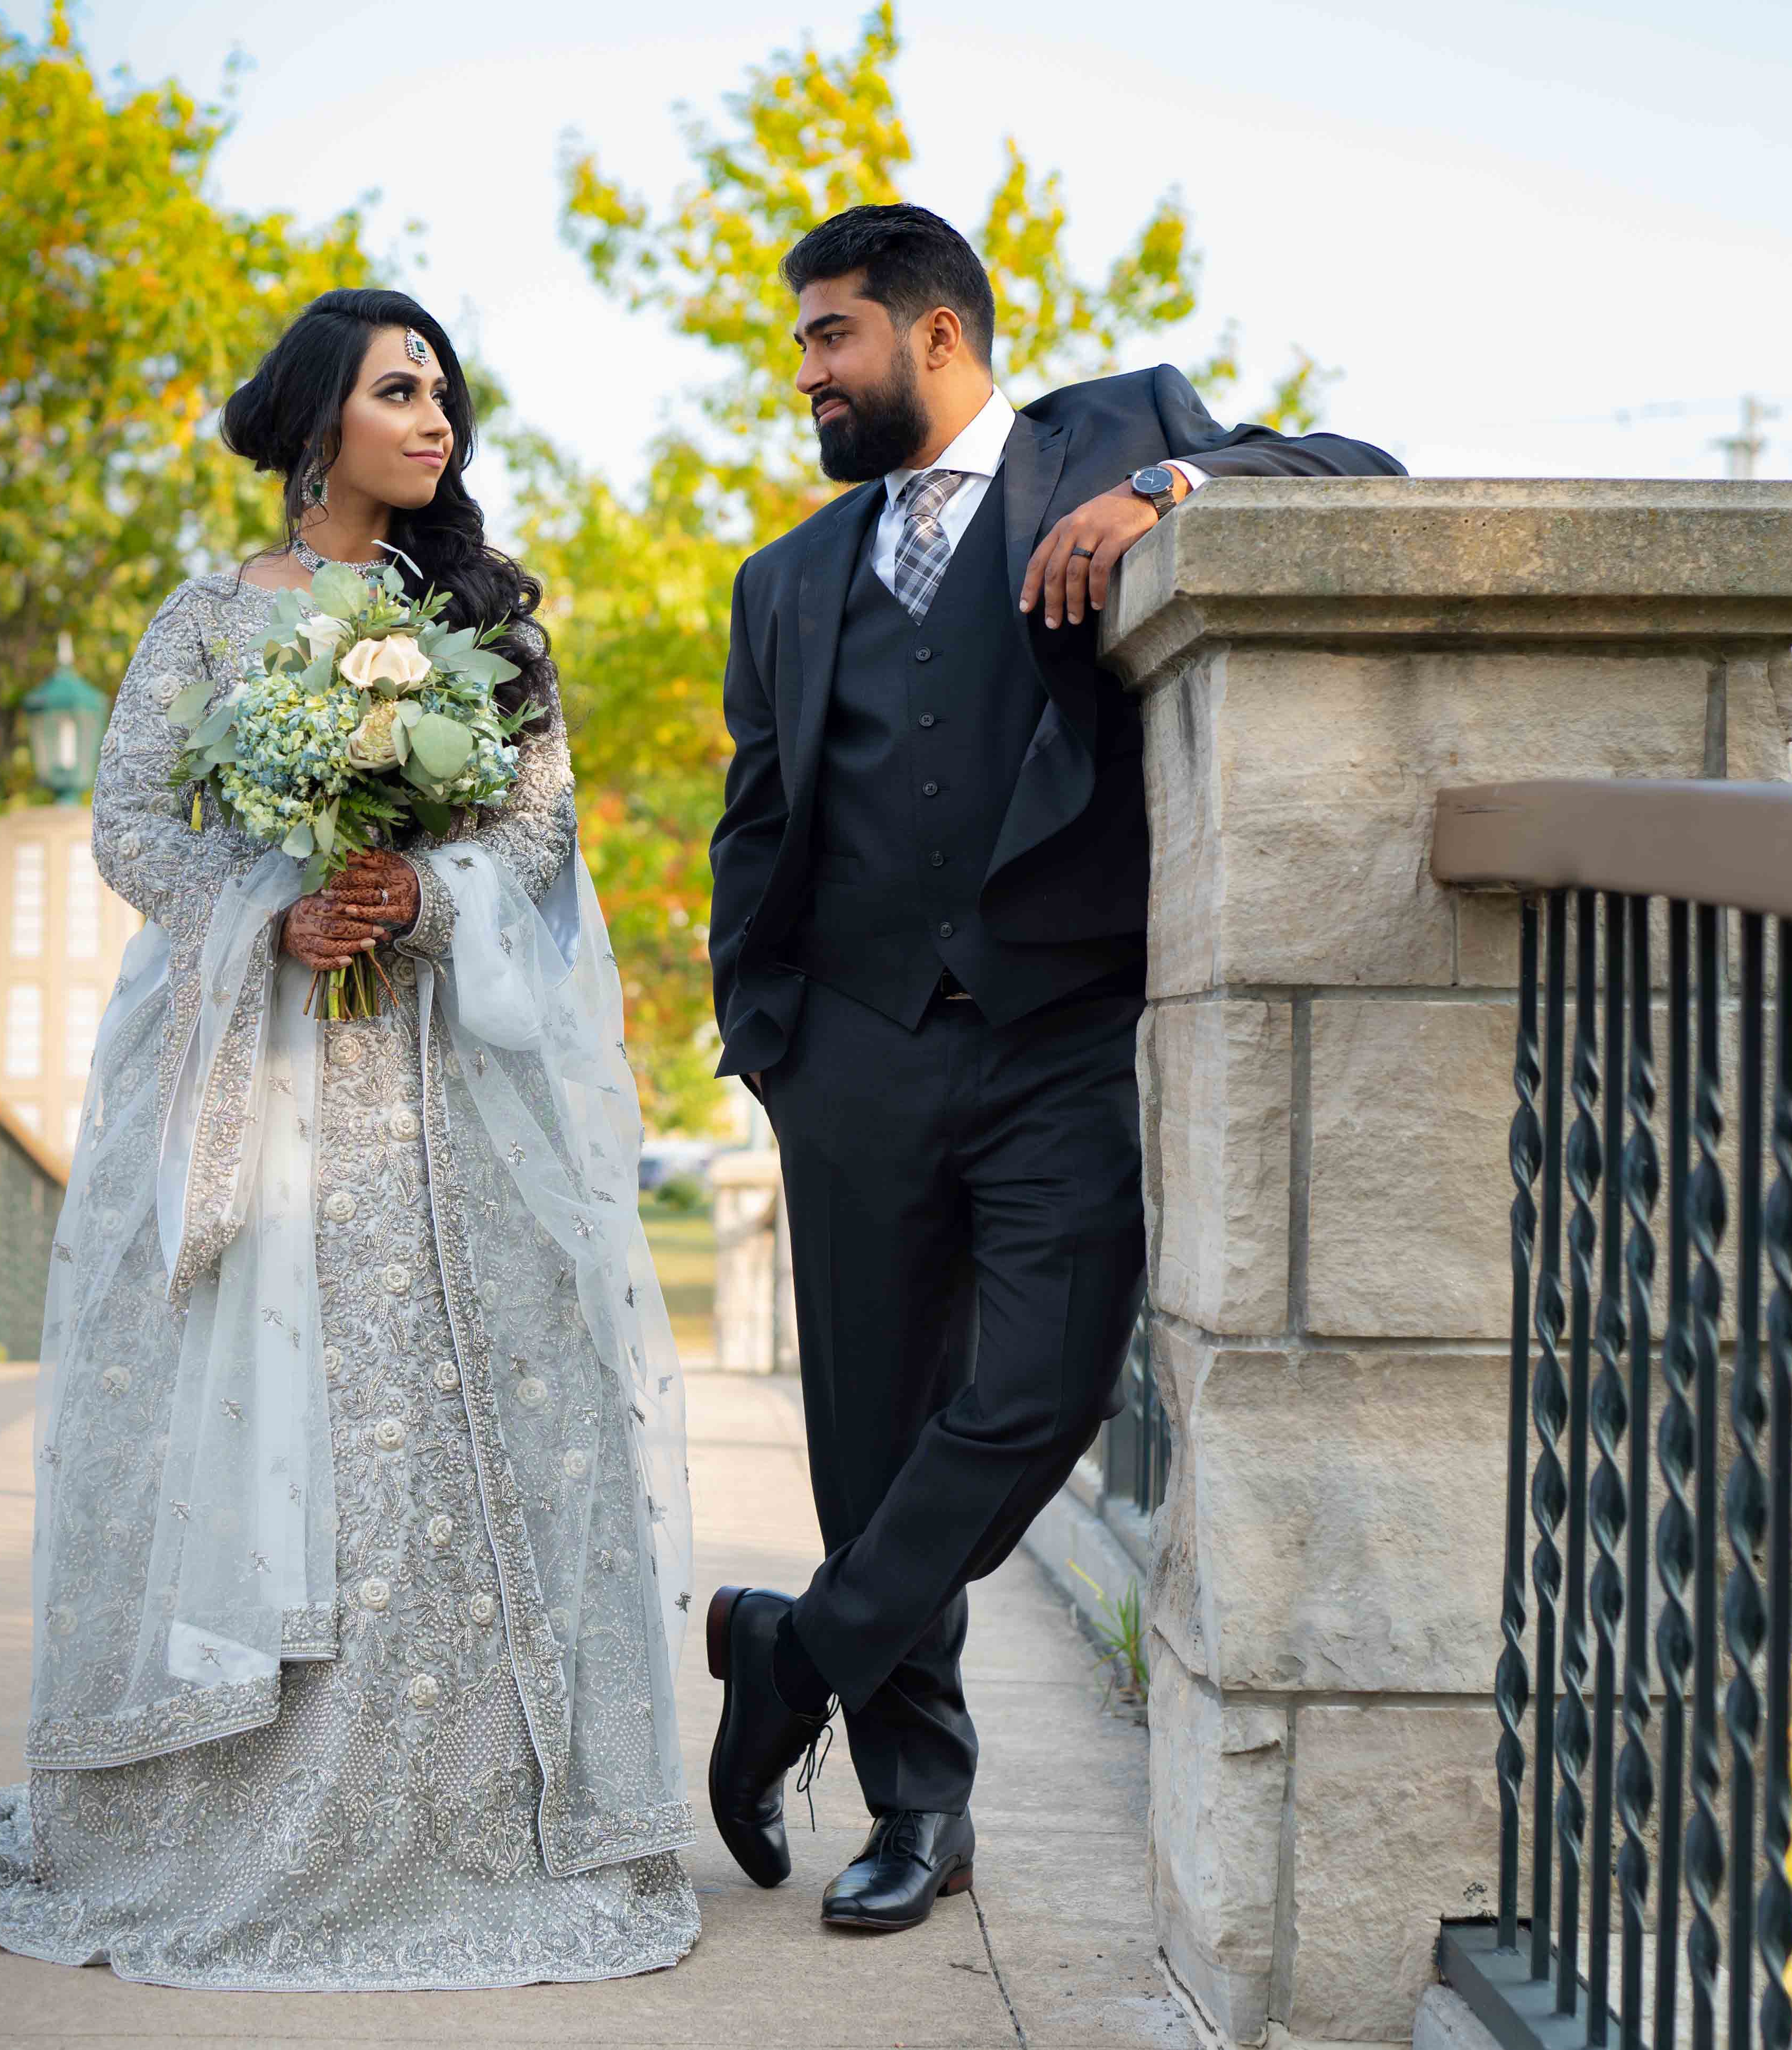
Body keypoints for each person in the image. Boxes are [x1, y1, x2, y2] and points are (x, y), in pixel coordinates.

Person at [0, 288, 700, 1991]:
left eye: (446, 398)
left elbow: (543, 835)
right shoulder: (207, 621)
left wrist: (417, 885)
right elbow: (132, 818)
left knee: (466, 1414)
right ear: (313, 421)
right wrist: (270, 911)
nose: (436, 424)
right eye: (399, 391)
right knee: (281, 1421)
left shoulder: (483, 618)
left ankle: (467, 1819)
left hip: (447, 1094)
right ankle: (225, 1814)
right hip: (256, 1087)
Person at [702, 205, 1403, 1932]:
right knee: (870, 1441)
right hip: (852, 1056)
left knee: (1041, 1390)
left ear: (937, 337)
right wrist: (771, 1036)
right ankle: (918, 1811)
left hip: (1057, 1034)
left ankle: (790, 1654)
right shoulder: (785, 577)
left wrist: (1172, 498)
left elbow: (1360, 466)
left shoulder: (1123, 429)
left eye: (832, 336)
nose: (806, 372)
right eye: (802, 340)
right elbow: (760, 820)